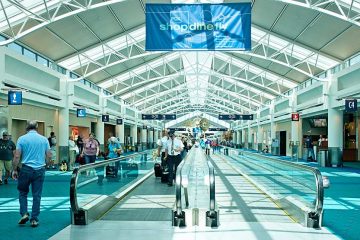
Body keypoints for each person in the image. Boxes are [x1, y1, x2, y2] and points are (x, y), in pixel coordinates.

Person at [12, 120, 52, 227]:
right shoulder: (44, 139)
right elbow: (49, 155)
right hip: (39, 170)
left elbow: (17, 156)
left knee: (22, 192)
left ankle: (24, 213)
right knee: (36, 195)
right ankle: (34, 219)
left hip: (26, 169)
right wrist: (46, 165)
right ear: (37, 127)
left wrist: (14, 169)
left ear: (26, 127)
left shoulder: (22, 139)